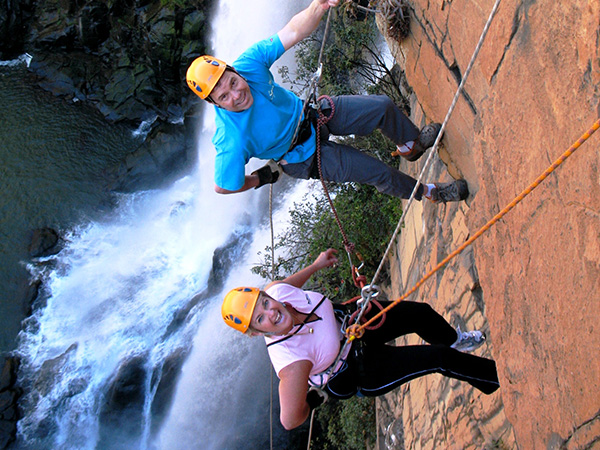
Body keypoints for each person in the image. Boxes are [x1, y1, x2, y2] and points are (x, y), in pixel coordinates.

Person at [186, 0, 469, 203]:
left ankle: (410, 145)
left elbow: (293, 32)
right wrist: (259, 179)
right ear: (215, 103)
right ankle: (432, 193)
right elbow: (223, 187)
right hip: (301, 156)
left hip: (311, 114)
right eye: (224, 96)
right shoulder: (231, 139)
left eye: (233, 83)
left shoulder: (248, 64)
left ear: (233, 71)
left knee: (382, 107)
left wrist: (317, 7)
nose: (236, 95)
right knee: (379, 172)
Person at [221, 249, 500, 430]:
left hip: (354, 325)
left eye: (265, 304)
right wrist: (310, 401)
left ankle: (454, 340)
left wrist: (316, 265)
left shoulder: (277, 292)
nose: (271, 312)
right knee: (438, 359)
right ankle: (498, 379)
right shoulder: (292, 363)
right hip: (357, 369)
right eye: (260, 319)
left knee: (420, 314)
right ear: (257, 333)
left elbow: (288, 285)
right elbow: (289, 419)